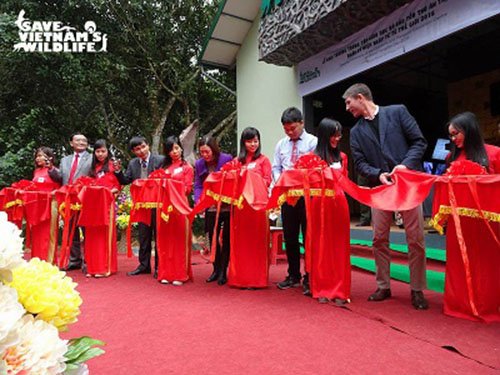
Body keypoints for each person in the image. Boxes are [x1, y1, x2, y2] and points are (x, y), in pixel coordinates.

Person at [344, 83, 429, 310]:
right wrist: (378, 174)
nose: (346, 108)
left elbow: (419, 142)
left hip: (408, 184)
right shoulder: (355, 132)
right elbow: (360, 163)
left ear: (360, 98)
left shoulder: (397, 112)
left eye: (348, 102)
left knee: (415, 238)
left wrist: (404, 166)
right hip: (379, 189)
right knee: (378, 238)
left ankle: (417, 289)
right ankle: (383, 285)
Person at [440, 111, 500, 321]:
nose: (453, 138)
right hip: (459, 222)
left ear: (469, 131)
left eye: (456, 133)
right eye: (451, 135)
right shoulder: (451, 157)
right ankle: (460, 304)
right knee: (458, 262)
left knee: (486, 265)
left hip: (486, 223)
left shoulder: (493, 154)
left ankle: (488, 305)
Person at [272, 107, 317, 294]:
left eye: (293, 128)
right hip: (287, 196)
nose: (290, 132)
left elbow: (317, 168)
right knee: (289, 236)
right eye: (286, 129)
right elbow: (276, 167)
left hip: (307, 196)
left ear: (301, 123)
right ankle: (293, 274)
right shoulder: (281, 144)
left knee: (309, 236)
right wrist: (280, 181)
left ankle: (310, 275)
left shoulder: (313, 142)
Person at [308, 118, 351, 304]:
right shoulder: (312, 158)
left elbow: (345, 181)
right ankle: (321, 288)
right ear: (325, 136)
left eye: (339, 134)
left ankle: (340, 289)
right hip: (319, 203)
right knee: (321, 246)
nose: (337, 138)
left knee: (340, 247)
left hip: (339, 203)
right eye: (334, 135)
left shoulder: (342, 157)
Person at [114, 136, 165, 277]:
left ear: (148, 145)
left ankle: (160, 267)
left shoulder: (160, 160)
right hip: (142, 205)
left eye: (143, 147)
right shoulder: (133, 164)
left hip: (157, 203)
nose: (141, 151)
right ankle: (144, 265)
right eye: (137, 149)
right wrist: (118, 172)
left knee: (159, 235)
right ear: (133, 152)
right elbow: (126, 180)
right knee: (144, 236)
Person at [228, 127, 272, 288]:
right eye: (249, 141)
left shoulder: (264, 160)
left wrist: (250, 177)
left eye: (255, 140)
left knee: (257, 242)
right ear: (243, 142)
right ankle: (240, 278)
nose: (253, 144)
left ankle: (257, 280)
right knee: (241, 243)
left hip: (258, 209)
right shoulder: (236, 161)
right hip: (241, 208)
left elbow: (267, 180)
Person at [49, 132, 92, 271]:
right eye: (78, 140)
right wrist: (51, 168)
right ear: (71, 143)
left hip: (84, 198)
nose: (81, 143)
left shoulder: (92, 158)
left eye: (84, 141)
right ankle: (75, 260)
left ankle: (88, 261)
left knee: (86, 230)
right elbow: (61, 177)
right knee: (71, 231)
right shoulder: (65, 160)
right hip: (68, 199)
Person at [194, 135, 232, 285]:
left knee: (227, 239)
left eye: (207, 152)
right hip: (210, 206)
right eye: (202, 152)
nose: (205, 155)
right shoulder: (199, 164)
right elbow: (198, 185)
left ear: (214, 149)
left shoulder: (226, 158)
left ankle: (224, 271)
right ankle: (215, 269)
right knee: (211, 238)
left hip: (226, 206)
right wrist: (199, 201)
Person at [157, 135, 194, 286]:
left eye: (177, 148)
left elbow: (187, 188)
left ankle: (180, 274)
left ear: (181, 148)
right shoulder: (164, 169)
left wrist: (169, 184)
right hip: (165, 210)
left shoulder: (187, 168)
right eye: (171, 150)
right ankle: (165, 273)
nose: (174, 152)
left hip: (180, 209)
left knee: (179, 241)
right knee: (165, 241)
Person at [81, 139, 120, 277]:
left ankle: (105, 267)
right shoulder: (92, 168)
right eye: (97, 151)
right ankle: (92, 267)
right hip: (92, 207)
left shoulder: (112, 166)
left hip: (106, 206)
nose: (100, 154)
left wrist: (109, 192)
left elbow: (117, 187)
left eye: (103, 151)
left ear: (107, 152)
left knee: (104, 236)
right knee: (92, 237)